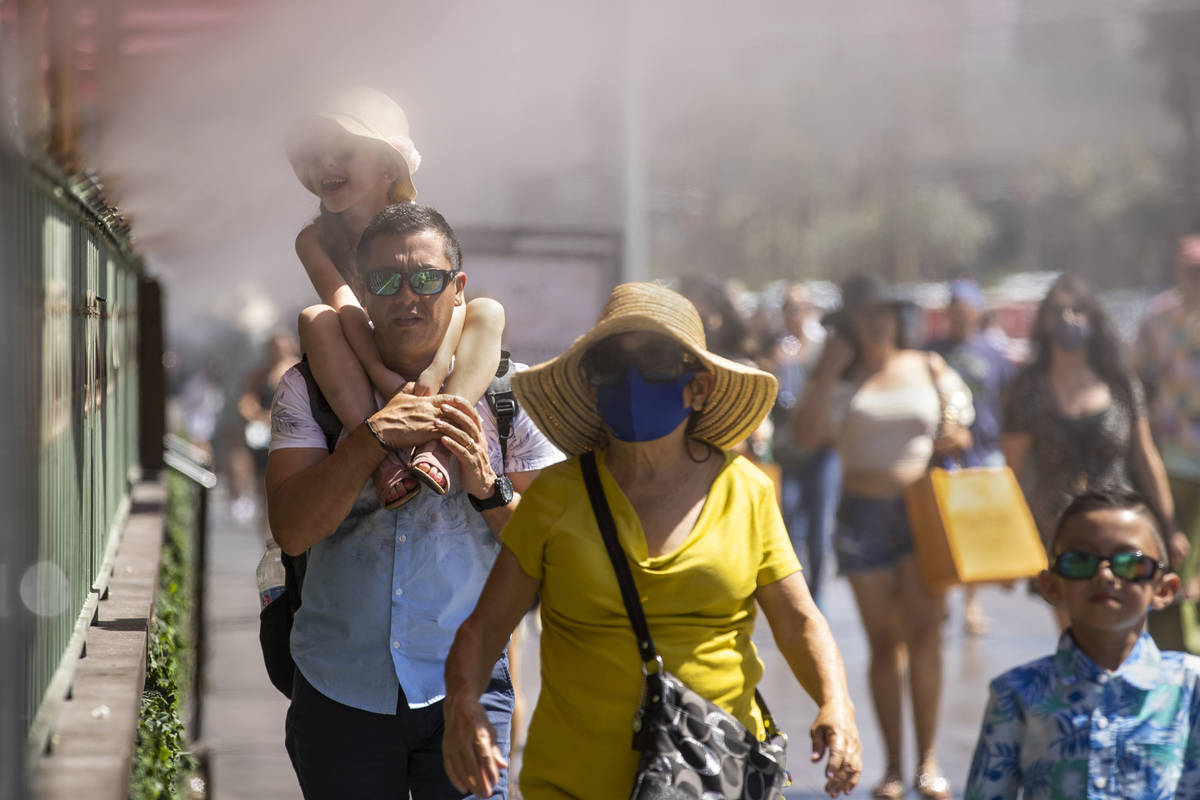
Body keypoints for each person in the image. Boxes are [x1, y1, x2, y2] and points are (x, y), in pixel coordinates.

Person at [441, 282, 861, 800]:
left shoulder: (745, 491)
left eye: (658, 360)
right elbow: (484, 631)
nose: (632, 380)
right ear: (593, 384)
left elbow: (799, 622)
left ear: (698, 387)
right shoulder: (554, 497)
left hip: (714, 780)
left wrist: (836, 702)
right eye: (611, 363)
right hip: (571, 784)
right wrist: (463, 701)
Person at [266, 204, 561, 799]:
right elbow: (293, 532)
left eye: (426, 278)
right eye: (385, 281)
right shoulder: (309, 389)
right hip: (338, 687)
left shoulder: (509, 396)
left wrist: (488, 486)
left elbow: (554, 557)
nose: (407, 295)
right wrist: (371, 439)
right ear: (363, 296)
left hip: (468, 689)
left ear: (457, 290)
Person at [795, 273, 974, 800]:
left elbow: (963, 423)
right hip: (861, 516)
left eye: (885, 313)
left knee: (924, 637)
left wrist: (955, 435)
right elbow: (806, 436)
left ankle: (928, 761)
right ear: (848, 324)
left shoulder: (927, 366)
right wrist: (826, 369)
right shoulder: (839, 378)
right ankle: (892, 766)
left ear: (897, 319)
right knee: (882, 644)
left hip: (921, 512)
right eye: (866, 314)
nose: (877, 322)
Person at [284, 86, 506, 510]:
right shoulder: (313, 239)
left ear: (389, 169)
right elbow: (347, 309)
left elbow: (455, 302)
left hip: (425, 361)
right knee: (317, 319)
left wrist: (434, 375)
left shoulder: (420, 230)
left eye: (343, 152)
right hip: (359, 350)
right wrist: (386, 382)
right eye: (315, 157)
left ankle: (441, 441)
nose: (326, 165)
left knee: (489, 310)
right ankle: (382, 463)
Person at [965, 489, 1199, 799]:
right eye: (1080, 562)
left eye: (1130, 563)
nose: (1104, 575)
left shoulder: (1190, 687)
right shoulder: (1016, 694)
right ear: (1050, 585)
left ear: (1164, 589)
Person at [1001, 274, 1187, 629]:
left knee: (1128, 628)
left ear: (1093, 319)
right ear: (1043, 321)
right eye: (1057, 312)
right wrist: (1010, 548)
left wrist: (1169, 524)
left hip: (1125, 529)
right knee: (1077, 635)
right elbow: (1012, 475)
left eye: (1077, 310)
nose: (1067, 320)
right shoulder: (1025, 392)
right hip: (1059, 536)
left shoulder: (1120, 384)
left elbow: (1145, 458)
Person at [927, 277, 1017, 635]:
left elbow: (1008, 402)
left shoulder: (994, 354)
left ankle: (971, 605)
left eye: (967, 311)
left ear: (977, 313)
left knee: (974, 533)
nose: (961, 318)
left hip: (984, 452)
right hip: (941, 455)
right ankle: (941, 600)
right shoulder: (931, 352)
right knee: (942, 531)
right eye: (955, 311)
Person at [1137, 235, 1200, 649]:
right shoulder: (1157, 321)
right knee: (1169, 565)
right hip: (1170, 464)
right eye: (1190, 271)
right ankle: (1172, 659)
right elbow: (1136, 383)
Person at [769, 282, 841, 605]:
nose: (792, 315)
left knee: (819, 531)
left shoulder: (822, 348)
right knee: (789, 526)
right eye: (788, 308)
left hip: (822, 451)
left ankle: (818, 598)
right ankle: (797, 599)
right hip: (787, 451)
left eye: (798, 308)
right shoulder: (775, 349)